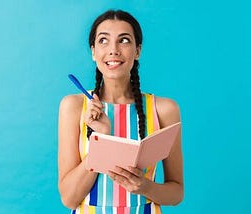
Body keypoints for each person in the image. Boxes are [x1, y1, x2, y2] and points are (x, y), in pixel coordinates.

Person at [58, 9, 183, 214]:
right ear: (93, 51)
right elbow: (69, 199)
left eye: (124, 40)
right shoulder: (74, 106)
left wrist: (145, 187)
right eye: (103, 41)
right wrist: (102, 141)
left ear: (138, 51)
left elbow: (176, 193)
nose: (113, 50)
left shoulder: (164, 109)